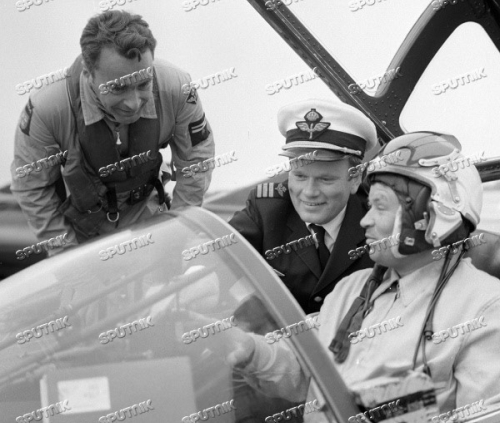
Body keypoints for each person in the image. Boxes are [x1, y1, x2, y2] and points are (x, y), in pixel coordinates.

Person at [228, 132, 500, 415]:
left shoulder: (485, 309)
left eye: (379, 207)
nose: (364, 220)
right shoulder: (351, 289)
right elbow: (301, 368)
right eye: (369, 206)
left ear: (432, 218)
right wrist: (247, 349)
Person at [11, 10, 215, 255]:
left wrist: (178, 235)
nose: (133, 102)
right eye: (118, 88)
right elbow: (33, 190)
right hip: (82, 236)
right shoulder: (48, 110)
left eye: (143, 85)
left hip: (151, 221)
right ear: (89, 74)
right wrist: (70, 262)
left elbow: (197, 160)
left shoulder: (176, 87)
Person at [229, 99, 377, 314]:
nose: (309, 192)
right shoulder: (266, 208)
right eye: (299, 176)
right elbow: (220, 261)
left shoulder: (378, 217)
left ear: (354, 179)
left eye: (325, 179)